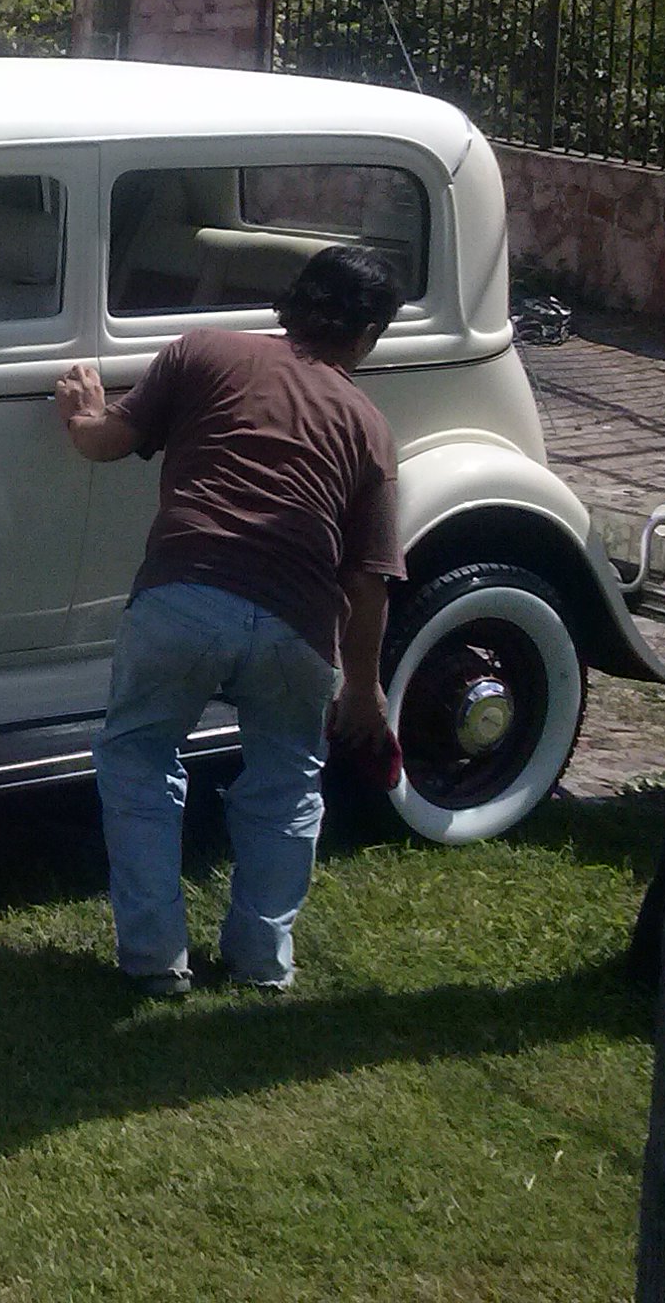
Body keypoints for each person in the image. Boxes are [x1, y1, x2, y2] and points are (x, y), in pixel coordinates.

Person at [54, 245, 406, 997]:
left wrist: (82, 411)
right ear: (369, 333)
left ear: (290, 304)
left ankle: (155, 961)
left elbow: (105, 443)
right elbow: (369, 580)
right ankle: (261, 964)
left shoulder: (204, 351)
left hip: (184, 595)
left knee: (140, 761)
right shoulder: (370, 427)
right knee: (286, 786)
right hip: (297, 625)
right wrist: (365, 692)